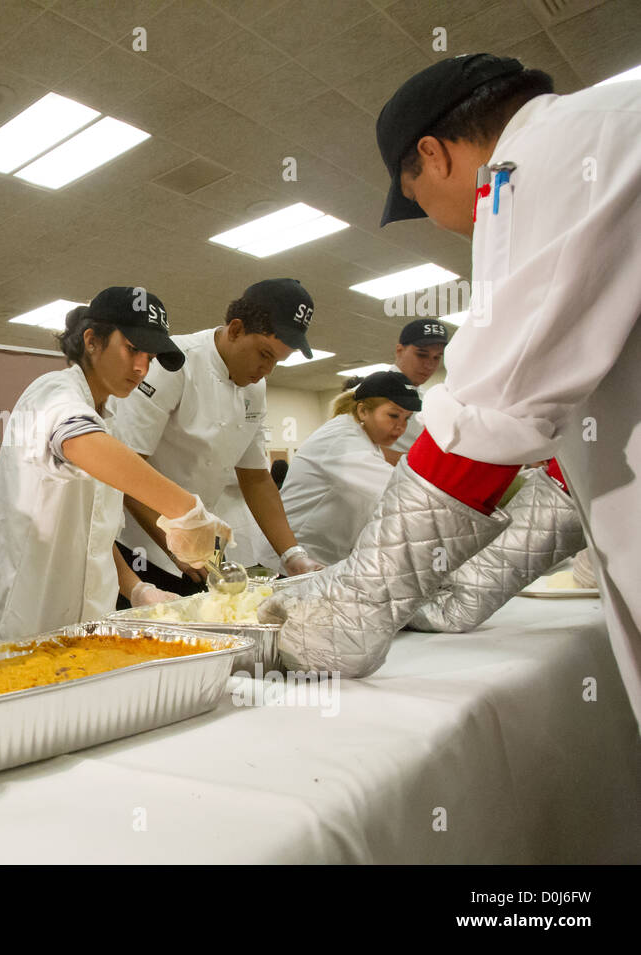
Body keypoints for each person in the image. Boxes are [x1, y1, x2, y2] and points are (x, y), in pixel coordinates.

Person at [260, 55, 639, 727]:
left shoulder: (533, 163)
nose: (438, 222)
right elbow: (568, 430)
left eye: (415, 200)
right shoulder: (600, 133)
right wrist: (476, 577)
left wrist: (364, 605)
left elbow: (494, 410)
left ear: (432, 154)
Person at [0, 287, 230, 645]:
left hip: (88, 620)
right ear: (92, 340)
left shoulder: (109, 421)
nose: (141, 368)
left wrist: (137, 588)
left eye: (150, 357)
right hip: (26, 618)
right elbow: (81, 441)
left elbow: (94, 533)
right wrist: (186, 510)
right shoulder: (52, 392)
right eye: (133, 348)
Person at [110, 278, 326, 599]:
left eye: (277, 361)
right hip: (137, 546)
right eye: (264, 354)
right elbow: (126, 470)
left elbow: (256, 479)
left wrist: (292, 555)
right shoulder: (175, 363)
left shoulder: (255, 388)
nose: (266, 370)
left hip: (194, 545)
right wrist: (179, 541)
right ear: (236, 329)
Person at [274, 372, 420, 567]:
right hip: (298, 556)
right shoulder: (344, 440)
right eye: (393, 415)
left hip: (324, 554)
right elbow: (400, 494)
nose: (400, 427)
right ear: (363, 411)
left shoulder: (364, 438)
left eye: (407, 419)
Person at [390, 318, 449, 454]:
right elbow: (350, 448)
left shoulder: (428, 399)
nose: (429, 365)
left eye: (437, 357)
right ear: (399, 350)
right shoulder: (367, 394)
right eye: (422, 355)